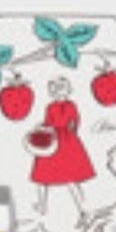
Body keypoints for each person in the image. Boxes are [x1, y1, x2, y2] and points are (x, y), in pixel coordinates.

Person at [29, 77, 95, 216]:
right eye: (57, 92)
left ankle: (43, 206)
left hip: (55, 141)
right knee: (68, 178)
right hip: (67, 140)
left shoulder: (52, 107)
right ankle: (82, 208)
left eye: (61, 91)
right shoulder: (69, 106)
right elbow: (75, 122)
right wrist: (71, 134)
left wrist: (43, 128)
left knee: (46, 178)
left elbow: (49, 123)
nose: (60, 95)